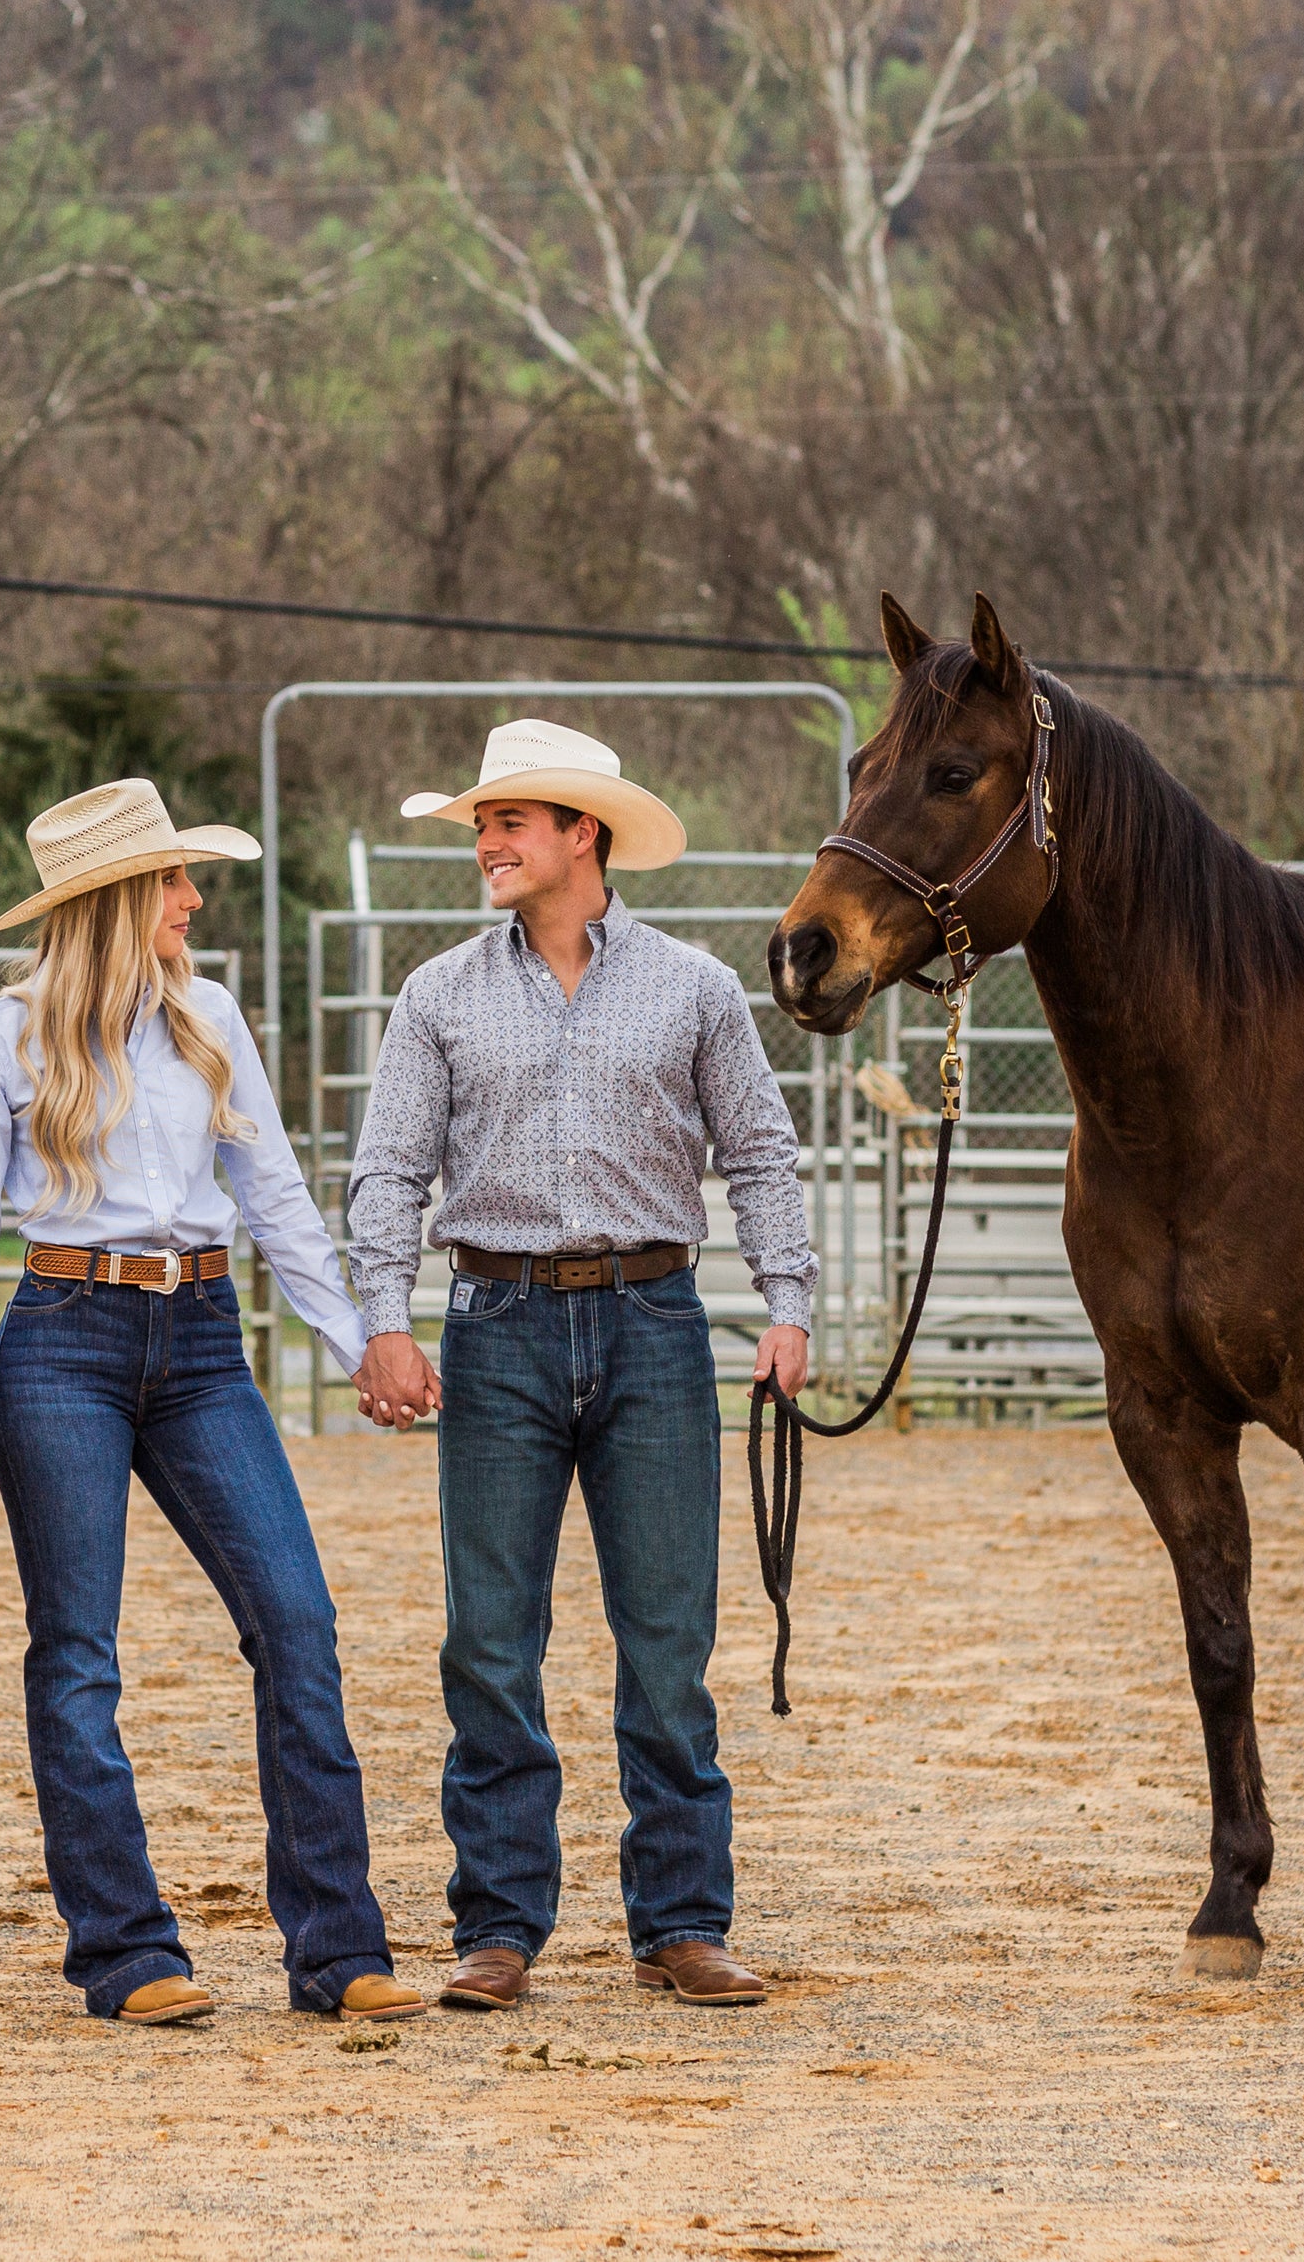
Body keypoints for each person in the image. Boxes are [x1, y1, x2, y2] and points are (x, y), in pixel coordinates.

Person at [0, 777, 427, 2031]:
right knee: (79, 1654)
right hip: (57, 1346)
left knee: (298, 1622)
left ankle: (339, 1948)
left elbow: (277, 1196)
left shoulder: (212, 1017)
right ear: (114, 903)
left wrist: (360, 1341)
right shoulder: (0, 1040)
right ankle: (126, 1950)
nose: (194, 900)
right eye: (173, 883)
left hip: (201, 1342)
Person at [344, 720, 817, 2011]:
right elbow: (390, 1168)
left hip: (656, 1319)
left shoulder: (696, 988)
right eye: (484, 823)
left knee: (666, 1641)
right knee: (491, 1642)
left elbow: (762, 1154)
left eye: (509, 821)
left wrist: (789, 1303)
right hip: (495, 1322)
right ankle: (499, 1923)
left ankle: (681, 1918)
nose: (487, 843)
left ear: (582, 834)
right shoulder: (438, 993)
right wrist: (384, 1315)